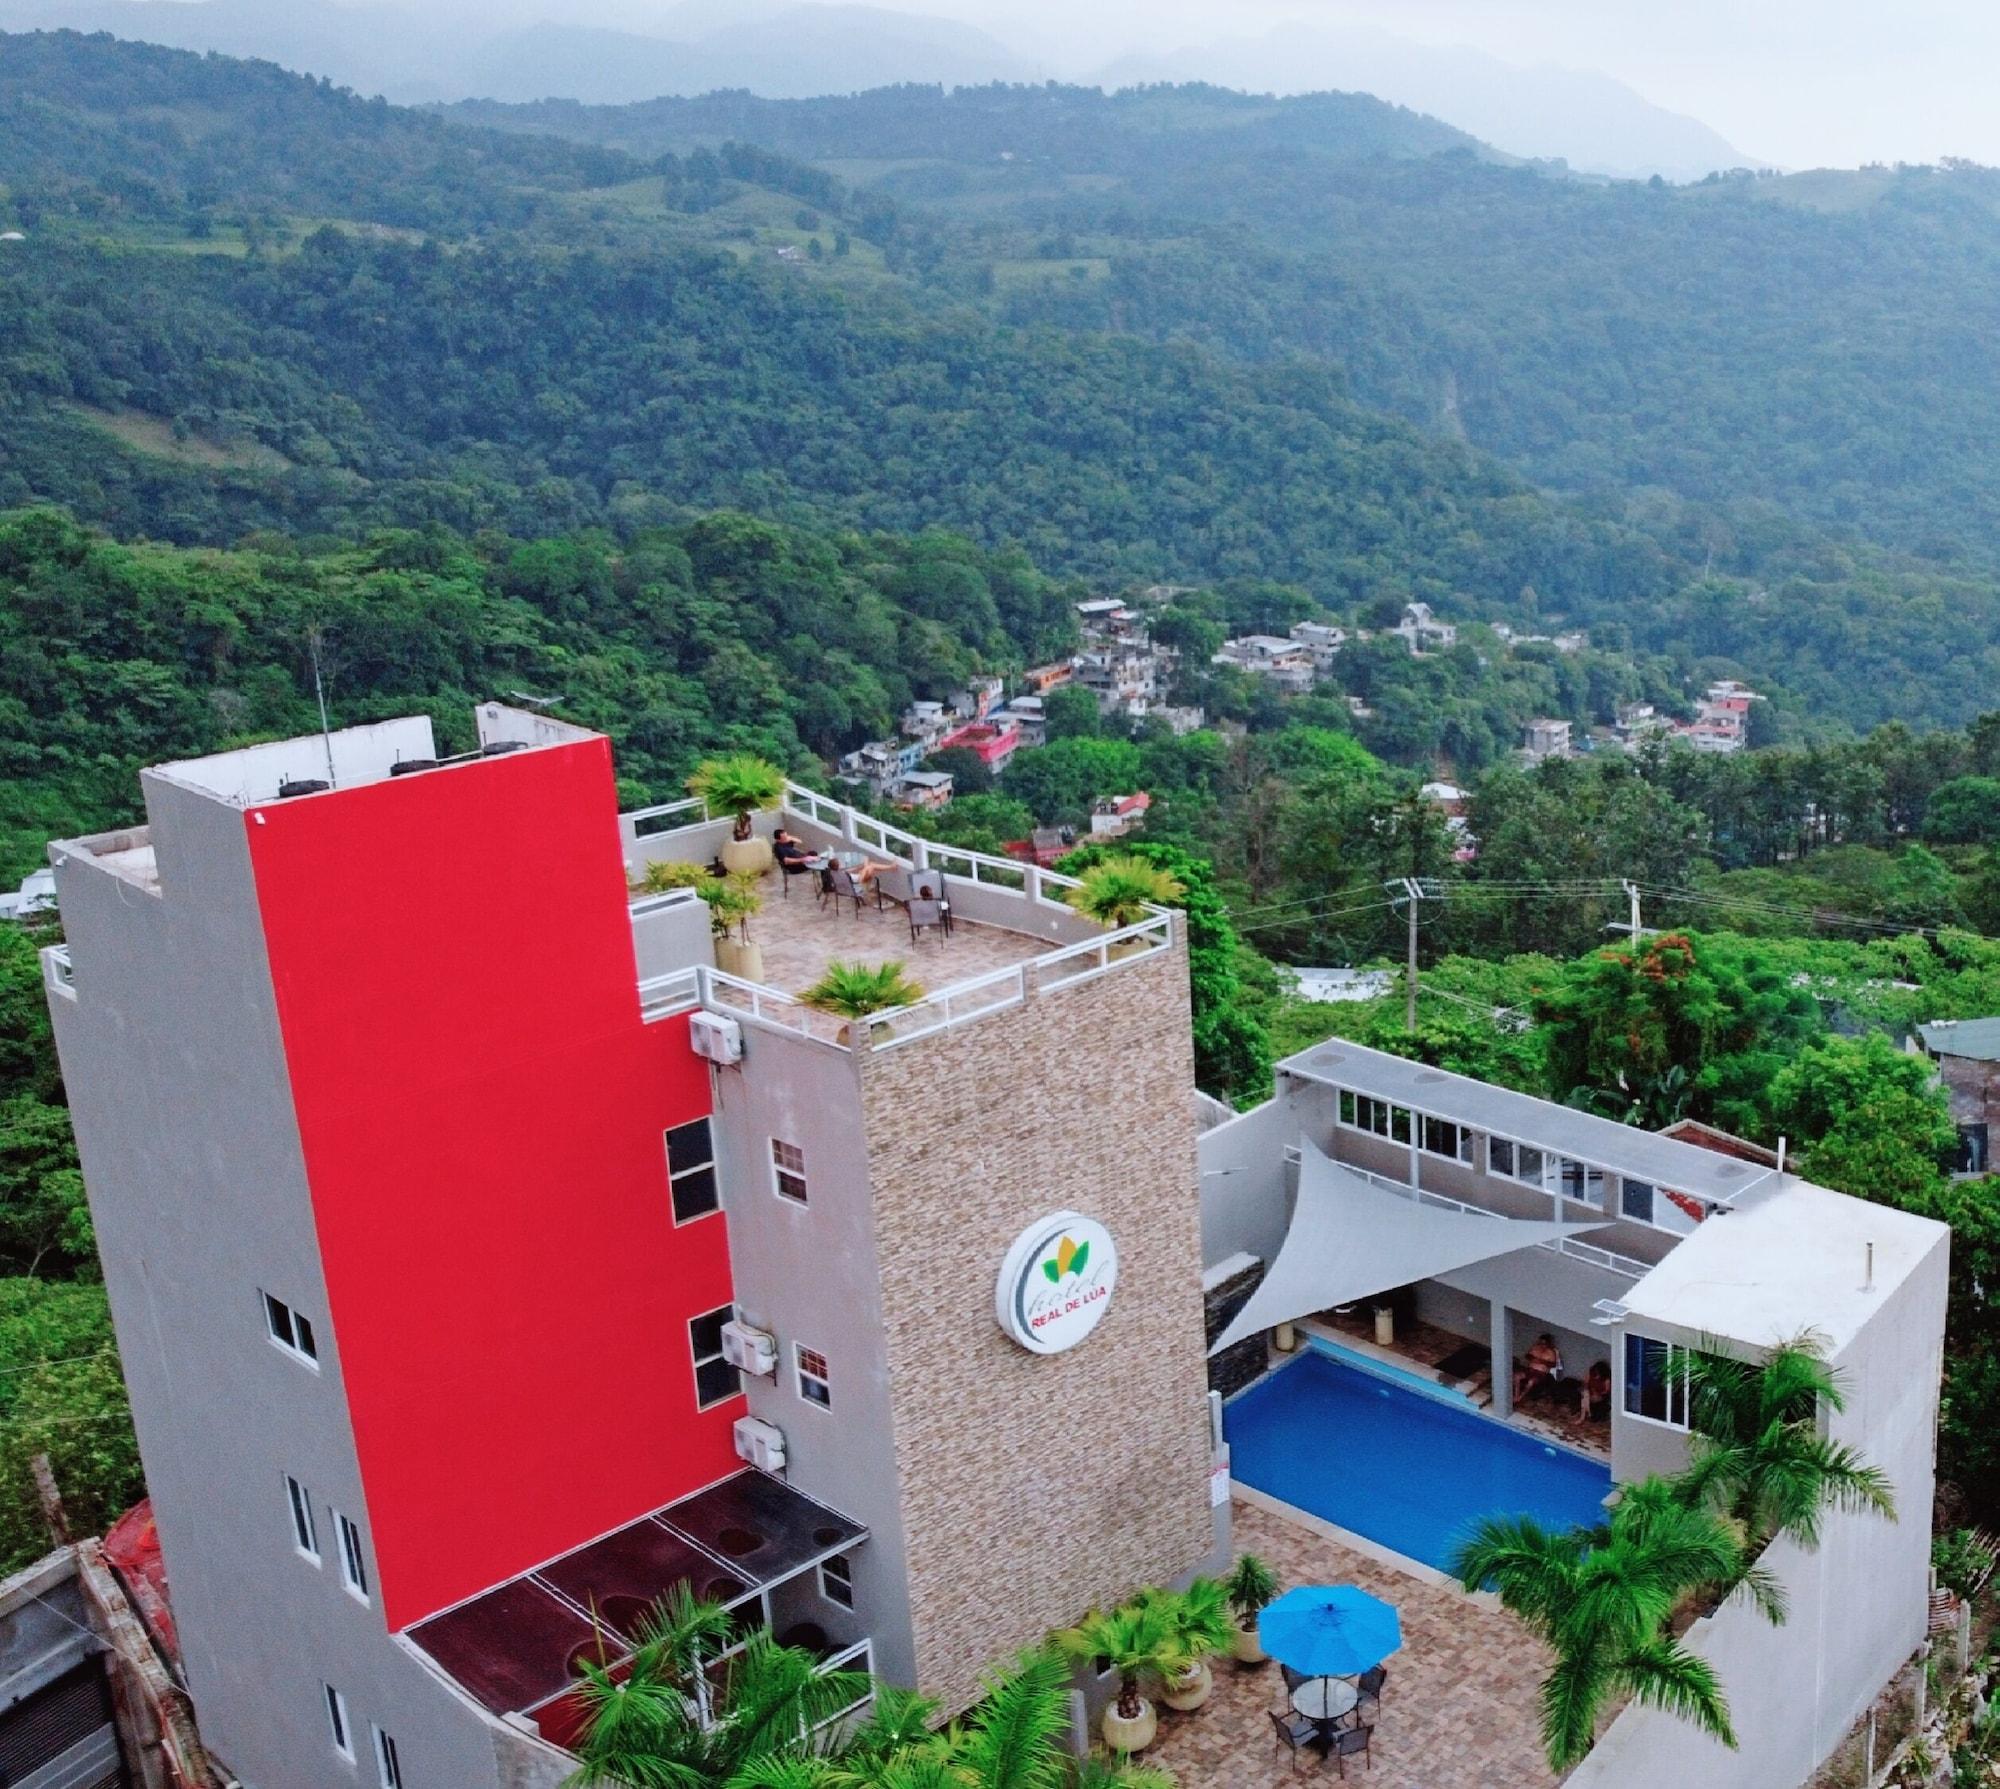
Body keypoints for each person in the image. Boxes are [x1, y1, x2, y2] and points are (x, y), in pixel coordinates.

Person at [1513, 1333, 1563, 1403]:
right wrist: (1533, 1358)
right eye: (1541, 1342)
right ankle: (1516, 1395)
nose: (1542, 1344)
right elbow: (1527, 1356)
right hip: (1530, 1370)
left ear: (1548, 1343)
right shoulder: (1535, 1347)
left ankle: (1520, 1397)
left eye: (1544, 1343)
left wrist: (1541, 1361)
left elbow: (1553, 1364)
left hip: (1540, 1373)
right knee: (1517, 1376)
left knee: (1531, 1381)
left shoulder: (1551, 1352)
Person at [1578, 1359, 1612, 1423]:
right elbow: (1585, 1383)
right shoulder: (1590, 1373)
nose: (1597, 1375)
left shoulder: (1606, 1379)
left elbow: (1607, 1391)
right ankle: (1583, 1416)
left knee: (1588, 1399)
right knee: (1585, 1397)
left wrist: (1598, 1393)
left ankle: (1589, 1413)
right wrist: (1587, 1390)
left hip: (1600, 1396)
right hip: (1589, 1393)